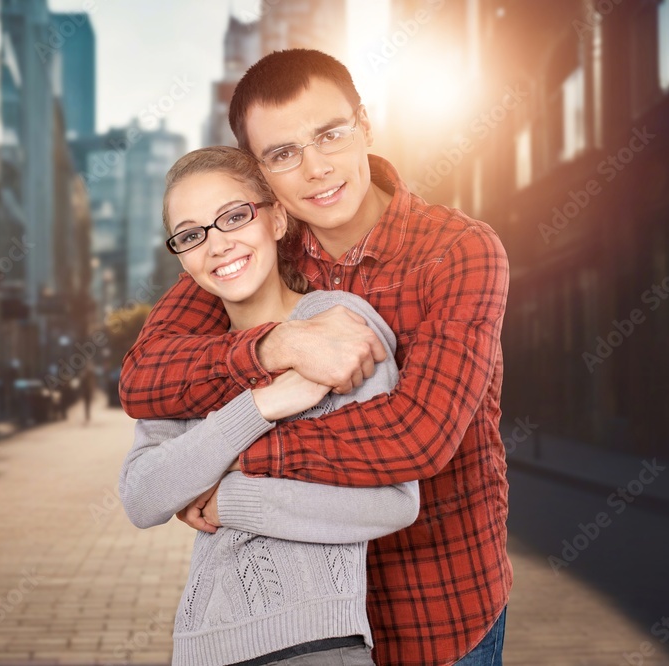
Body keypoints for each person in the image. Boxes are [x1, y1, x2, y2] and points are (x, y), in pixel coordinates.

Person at [120, 50, 511, 666]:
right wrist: (275, 347)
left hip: (438, 609)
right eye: (282, 154)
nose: (316, 167)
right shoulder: (248, 241)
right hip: (297, 632)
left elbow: (418, 438)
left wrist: (224, 472)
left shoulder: (457, 251)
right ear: (261, 176)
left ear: (365, 125)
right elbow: (145, 377)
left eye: (330, 134)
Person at [119, 146, 419, 666]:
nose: (217, 245)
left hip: (321, 646)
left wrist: (226, 499)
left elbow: (395, 501)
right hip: (202, 648)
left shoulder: (337, 324)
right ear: (183, 257)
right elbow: (142, 495)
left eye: (234, 216)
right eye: (191, 235)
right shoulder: (188, 360)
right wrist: (260, 404)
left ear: (277, 218)